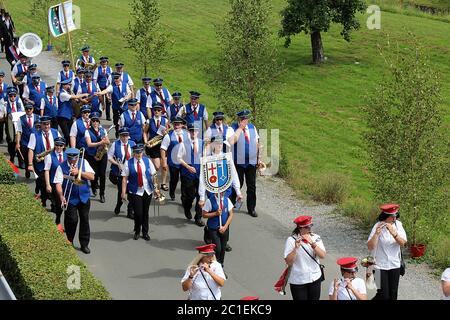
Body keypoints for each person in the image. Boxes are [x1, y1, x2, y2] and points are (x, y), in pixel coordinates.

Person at [54, 148, 95, 254]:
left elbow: (92, 176)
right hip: (70, 198)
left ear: (77, 157)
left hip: (84, 197)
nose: (73, 161)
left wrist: (79, 172)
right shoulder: (61, 166)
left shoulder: (83, 162)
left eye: (75, 159)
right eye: (71, 159)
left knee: (85, 220)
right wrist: (61, 196)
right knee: (71, 220)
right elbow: (58, 183)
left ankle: (84, 244)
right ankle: (70, 240)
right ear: (67, 157)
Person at [367, 203, 407, 300]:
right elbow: (370, 246)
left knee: (393, 295)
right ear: (385, 216)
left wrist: (395, 234)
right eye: (392, 217)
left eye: (396, 216)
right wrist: (376, 234)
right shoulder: (377, 226)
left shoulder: (398, 225)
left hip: (394, 265)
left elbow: (403, 243)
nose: (394, 219)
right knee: (383, 295)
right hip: (378, 266)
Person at [121, 144, 158, 241]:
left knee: (145, 213)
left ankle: (145, 232)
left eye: (140, 152)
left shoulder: (147, 161)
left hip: (147, 190)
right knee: (138, 213)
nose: (139, 154)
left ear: (143, 152)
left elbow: (153, 175)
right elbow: (125, 178)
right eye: (137, 152)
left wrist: (156, 188)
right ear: (134, 153)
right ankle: (137, 230)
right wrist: (123, 192)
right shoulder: (128, 163)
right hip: (135, 191)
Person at [284, 215, 326, 300]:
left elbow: (322, 255)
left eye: (311, 226)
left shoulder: (316, 237)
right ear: (300, 228)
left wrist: (312, 243)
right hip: (298, 280)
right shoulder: (291, 240)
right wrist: (295, 248)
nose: (310, 229)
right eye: (307, 227)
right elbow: (288, 261)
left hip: (315, 277)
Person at [229, 110, 260, 218]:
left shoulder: (252, 127)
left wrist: (258, 158)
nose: (244, 121)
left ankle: (251, 208)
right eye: (242, 119)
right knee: (238, 184)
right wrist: (240, 128)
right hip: (238, 162)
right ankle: (230, 206)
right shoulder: (233, 128)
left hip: (251, 162)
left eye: (246, 119)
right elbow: (232, 141)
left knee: (252, 186)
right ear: (239, 119)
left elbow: (256, 143)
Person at [27, 116, 61, 207]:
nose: (46, 126)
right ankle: (44, 198)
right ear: (40, 125)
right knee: (44, 184)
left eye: (48, 124)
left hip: (53, 163)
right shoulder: (34, 135)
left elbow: (62, 146)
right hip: (40, 164)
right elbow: (30, 150)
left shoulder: (56, 132)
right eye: (44, 124)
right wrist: (30, 164)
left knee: (53, 184)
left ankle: (54, 205)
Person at [177, 123, 205, 227]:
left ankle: (198, 217)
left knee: (200, 195)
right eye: (192, 130)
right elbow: (179, 158)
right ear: (189, 132)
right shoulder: (183, 143)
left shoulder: (202, 143)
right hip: (187, 173)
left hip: (200, 173)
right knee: (189, 196)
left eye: (195, 131)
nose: (194, 132)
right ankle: (187, 208)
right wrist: (188, 167)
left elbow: (206, 156)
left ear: (198, 132)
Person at [201, 190, 234, 270]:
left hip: (224, 228)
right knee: (218, 249)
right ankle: (214, 266)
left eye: (224, 191)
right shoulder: (210, 201)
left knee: (223, 249)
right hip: (214, 229)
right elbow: (204, 214)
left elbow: (231, 214)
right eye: (220, 192)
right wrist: (215, 214)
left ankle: (220, 266)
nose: (222, 193)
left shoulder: (227, 200)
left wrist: (225, 227)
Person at [108, 127, 135, 218]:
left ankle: (130, 211)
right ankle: (118, 205)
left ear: (128, 136)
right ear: (120, 136)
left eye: (126, 135)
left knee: (131, 192)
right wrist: (117, 164)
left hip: (131, 172)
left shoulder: (133, 144)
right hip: (120, 172)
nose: (124, 137)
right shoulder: (115, 144)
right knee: (122, 191)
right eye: (123, 136)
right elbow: (109, 157)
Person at [96, 72, 132, 137]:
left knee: (125, 121)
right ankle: (117, 132)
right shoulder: (112, 86)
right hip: (116, 107)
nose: (116, 80)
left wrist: (125, 99)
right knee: (116, 121)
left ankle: (125, 134)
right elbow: (106, 90)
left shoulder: (125, 85)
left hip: (124, 107)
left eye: (117, 78)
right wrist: (100, 93)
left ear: (120, 78)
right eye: (115, 78)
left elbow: (129, 94)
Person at [160, 116, 188, 200]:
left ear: (182, 125)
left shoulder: (187, 134)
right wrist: (164, 162)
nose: (176, 126)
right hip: (173, 162)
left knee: (184, 180)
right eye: (175, 124)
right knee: (174, 179)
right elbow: (163, 149)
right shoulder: (168, 136)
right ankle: (172, 191)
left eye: (178, 124)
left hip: (185, 161)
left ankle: (184, 197)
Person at [84, 112, 110, 203]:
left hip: (102, 155)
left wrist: (105, 142)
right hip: (91, 155)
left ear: (99, 122)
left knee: (102, 174)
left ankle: (102, 194)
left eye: (97, 120)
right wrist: (100, 143)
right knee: (94, 174)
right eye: (93, 120)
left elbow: (108, 141)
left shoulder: (103, 130)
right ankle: (94, 187)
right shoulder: (87, 131)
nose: (95, 122)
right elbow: (89, 144)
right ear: (91, 122)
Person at [44, 136, 67, 233]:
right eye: (57, 145)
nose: (58, 147)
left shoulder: (67, 155)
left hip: (65, 183)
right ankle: (58, 220)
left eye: (61, 145)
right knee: (59, 204)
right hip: (54, 183)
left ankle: (64, 223)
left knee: (66, 205)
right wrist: (48, 184)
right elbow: (47, 171)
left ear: (64, 146)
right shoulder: (49, 156)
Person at [143, 103, 168, 191]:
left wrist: (166, 134)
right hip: (153, 146)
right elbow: (145, 132)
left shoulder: (165, 121)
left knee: (164, 166)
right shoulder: (149, 121)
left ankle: (163, 183)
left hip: (163, 145)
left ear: (161, 111)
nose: (156, 112)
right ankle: (151, 179)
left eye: (159, 110)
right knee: (157, 166)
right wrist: (146, 142)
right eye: (155, 110)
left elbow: (169, 132)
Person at [57, 79, 89, 144]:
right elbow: (75, 96)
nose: (70, 86)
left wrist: (82, 100)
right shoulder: (62, 94)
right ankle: (64, 148)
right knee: (66, 135)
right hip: (63, 117)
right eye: (68, 85)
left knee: (72, 134)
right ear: (64, 86)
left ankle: (71, 147)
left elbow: (76, 99)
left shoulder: (67, 92)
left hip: (69, 116)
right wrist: (84, 94)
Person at [15, 103, 39, 178]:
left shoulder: (38, 117)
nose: (28, 110)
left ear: (33, 109)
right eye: (27, 109)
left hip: (35, 141)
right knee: (25, 158)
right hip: (25, 141)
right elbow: (19, 131)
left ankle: (36, 172)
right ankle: (27, 169)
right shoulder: (21, 119)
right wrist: (18, 143)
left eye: (30, 109)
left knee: (35, 158)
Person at [5, 87, 24, 165]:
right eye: (11, 96)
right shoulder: (4, 102)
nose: (13, 97)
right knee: (11, 142)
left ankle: (20, 160)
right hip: (9, 124)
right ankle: (12, 157)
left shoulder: (19, 100)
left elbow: (23, 111)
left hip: (18, 123)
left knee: (19, 141)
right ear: (8, 96)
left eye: (14, 95)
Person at [0, 70, 11, 144]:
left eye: (1, 77)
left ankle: (9, 139)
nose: (0, 78)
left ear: (3, 77)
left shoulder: (7, 87)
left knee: (7, 127)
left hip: (6, 111)